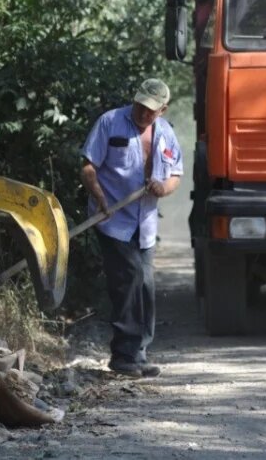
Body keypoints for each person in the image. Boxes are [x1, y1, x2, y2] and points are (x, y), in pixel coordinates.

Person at [81, 78, 184, 378]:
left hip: (145, 223)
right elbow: (88, 167)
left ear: (162, 110)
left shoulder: (166, 134)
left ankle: (139, 353)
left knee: (147, 285)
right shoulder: (110, 122)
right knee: (130, 277)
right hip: (112, 219)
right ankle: (123, 356)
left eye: (150, 110)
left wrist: (163, 188)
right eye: (140, 105)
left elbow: (175, 174)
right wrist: (99, 198)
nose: (142, 113)